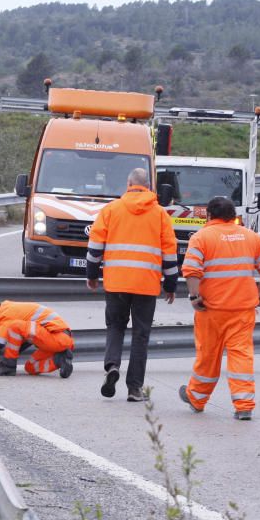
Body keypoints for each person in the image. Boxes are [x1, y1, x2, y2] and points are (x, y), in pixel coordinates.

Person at [177, 196, 260, 420]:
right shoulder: (251, 237)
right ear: (233, 216)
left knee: (208, 355)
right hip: (242, 308)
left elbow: (192, 271)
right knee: (241, 354)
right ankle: (244, 405)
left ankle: (196, 398)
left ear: (210, 215)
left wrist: (194, 296)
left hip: (211, 309)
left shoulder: (201, 237)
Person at [86, 167, 178, 402]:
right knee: (141, 335)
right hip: (146, 284)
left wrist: (92, 274)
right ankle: (134, 389)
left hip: (116, 282)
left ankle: (112, 366)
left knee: (115, 327)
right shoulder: (160, 214)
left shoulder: (111, 210)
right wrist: (170, 284)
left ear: (128, 184)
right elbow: (169, 252)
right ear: (148, 187)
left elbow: (95, 247)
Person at [0, 298, 74, 377]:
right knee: (30, 367)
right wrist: (4, 356)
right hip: (54, 340)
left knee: (15, 326)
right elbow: (20, 342)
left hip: (58, 337)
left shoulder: (4, 316)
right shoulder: (10, 310)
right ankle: (60, 360)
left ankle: (8, 367)